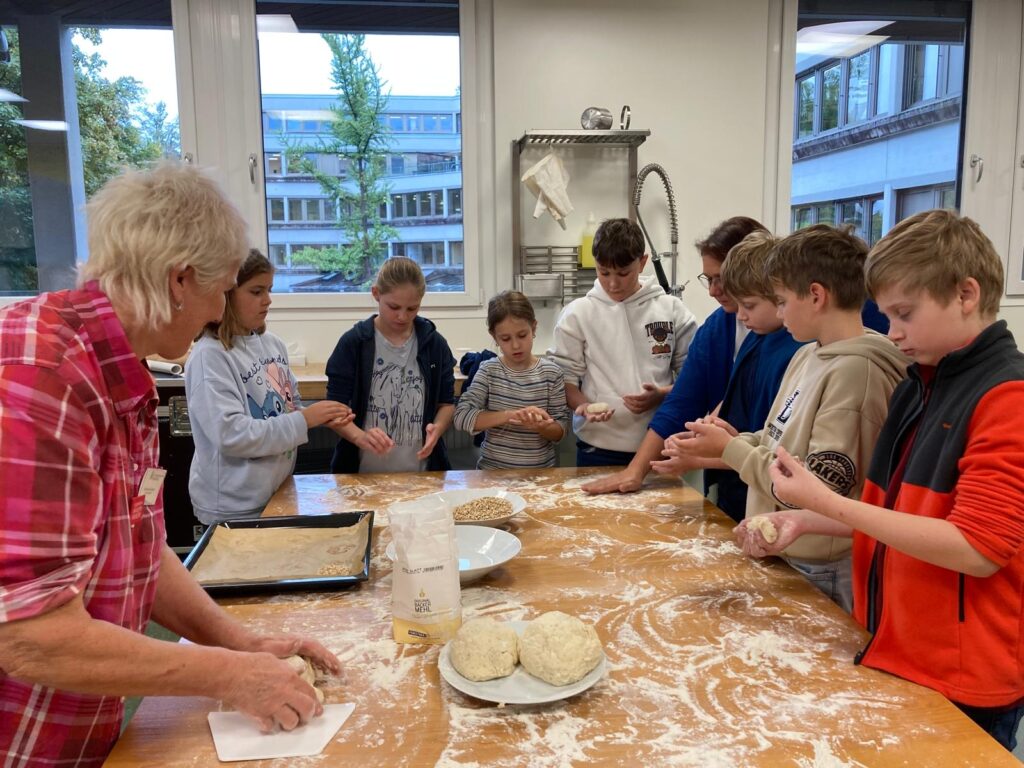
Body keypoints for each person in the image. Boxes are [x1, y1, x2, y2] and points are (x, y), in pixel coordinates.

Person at [0, 163, 340, 767]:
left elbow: (138, 549)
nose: (218, 310)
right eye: (222, 289)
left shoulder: (121, 370)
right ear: (180, 279)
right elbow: (29, 635)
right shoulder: (41, 376)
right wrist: (228, 675)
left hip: (85, 723)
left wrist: (243, 643)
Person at [749, 211, 1024, 752]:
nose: (892, 330)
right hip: (897, 643)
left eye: (904, 313)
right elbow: (902, 515)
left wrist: (829, 502)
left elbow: (977, 549)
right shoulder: (920, 383)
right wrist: (809, 518)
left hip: (966, 674)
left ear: (966, 294)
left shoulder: (1007, 397)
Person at [673, 224, 907, 611]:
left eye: (781, 301)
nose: (778, 313)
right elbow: (777, 438)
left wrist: (731, 450)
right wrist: (737, 440)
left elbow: (817, 488)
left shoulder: (856, 373)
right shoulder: (808, 354)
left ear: (816, 296)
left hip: (820, 564)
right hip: (785, 548)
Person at [582, 215, 766, 493]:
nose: (713, 291)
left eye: (722, 279)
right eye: (709, 279)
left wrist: (701, 457)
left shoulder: (787, 337)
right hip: (732, 478)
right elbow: (683, 400)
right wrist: (635, 471)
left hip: (771, 478)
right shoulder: (717, 328)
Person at [186, 250, 354, 525]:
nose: (267, 300)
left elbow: (290, 405)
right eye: (256, 291)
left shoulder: (273, 345)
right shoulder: (210, 356)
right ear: (225, 293)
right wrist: (305, 419)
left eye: (269, 290)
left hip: (276, 494)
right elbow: (231, 435)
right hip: (233, 507)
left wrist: (321, 416)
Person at [653, 231, 805, 522]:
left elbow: (781, 454)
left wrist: (700, 457)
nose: (740, 316)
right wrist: (702, 433)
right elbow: (735, 402)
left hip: (772, 502)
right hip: (738, 490)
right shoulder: (756, 338)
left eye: (749, 306)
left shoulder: (797, 353)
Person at [548, 218, 697, 468]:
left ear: (642, 262)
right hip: (598, 447)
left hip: (658, 443)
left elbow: (693, 377)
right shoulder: (578, 314)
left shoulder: (671, 310)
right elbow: (565, 379)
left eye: (623, 273)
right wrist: (583, 406)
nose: (613, 283)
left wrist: (661, 395)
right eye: (603, 272)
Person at [326, 257, 456, 473]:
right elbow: (332, 410)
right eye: (393, 307)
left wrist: (437, 428)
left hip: (421, 473)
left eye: (412, 308)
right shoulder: (354, 343)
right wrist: (360, 437)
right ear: (376, 293)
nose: (402, 316)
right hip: (362, 474)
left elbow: (446, 404)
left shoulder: (434, 344)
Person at [453, 290, 569, 469]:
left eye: (522, 335)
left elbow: (561, 431)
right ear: (494, 337)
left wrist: (540, 426)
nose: (515, 345)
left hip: (539, 475)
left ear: (534, 328)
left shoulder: (551, 374)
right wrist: (510, 416)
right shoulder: (489, 371)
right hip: (493, 473)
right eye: (505, 339)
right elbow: (461, 416)